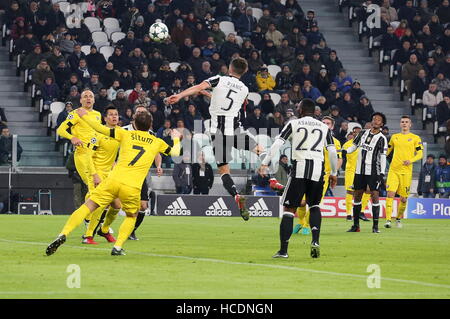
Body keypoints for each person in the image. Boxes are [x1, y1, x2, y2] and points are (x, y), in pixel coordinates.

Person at [46, 109, 182, 256]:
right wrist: (176, 138)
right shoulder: (157, 142)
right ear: (150, 125)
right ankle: (117, 247)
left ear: (134, 123)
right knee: (131, 216)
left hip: (113, 179)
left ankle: (63, 233)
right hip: (132, 187)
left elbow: (99, 128)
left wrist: (84, 115)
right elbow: (176, 153)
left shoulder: (124, 133)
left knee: (89, 205)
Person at [166, 57, 261, 221]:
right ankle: (273, 179)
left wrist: (180, 95)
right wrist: (210, 95)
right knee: (259, 149)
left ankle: (236, 196)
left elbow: (197, 87)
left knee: (224, 170)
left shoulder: (219, 79)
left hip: (217, 133)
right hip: (235, 130)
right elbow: (230, 103)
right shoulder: (245, 89)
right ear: (244, 71)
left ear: (229, 67)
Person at [260, 98, 338, 259]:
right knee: (315, 205)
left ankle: (283, 251)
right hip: (318, 170)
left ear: (301, 110)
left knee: (289, 210)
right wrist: (334, 173)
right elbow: (332, 151)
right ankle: (315, 241)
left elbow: (277, 143)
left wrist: (265, 163)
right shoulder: (324, 127)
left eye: (298, 107)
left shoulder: (294, 123)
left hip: (300, 168)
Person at [56, 90, 102, 225]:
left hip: (96, 155)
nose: (88, 98)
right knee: (93, 185)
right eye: (85, 96)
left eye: (91, 96)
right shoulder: (75, 114)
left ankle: (91, 219)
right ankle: (89, 220)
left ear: (94, 100)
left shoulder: (98, 115)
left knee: (100, 187)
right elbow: (60, 129)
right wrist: (72, 137)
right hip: (82, 155)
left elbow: (98, 134)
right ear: (80, 100)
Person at [292, 116, 342, 235]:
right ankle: (300, 221)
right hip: (307, 171)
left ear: (332, 126)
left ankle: (306, 225)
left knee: (314, 203)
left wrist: (333, 173)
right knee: (301, 201)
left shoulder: (335, 142)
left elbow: (339, 159)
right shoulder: (312, 138)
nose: (325, 124)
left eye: (328, 123)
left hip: (324, 176)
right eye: (323, 122)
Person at [81, 106, 122, 245]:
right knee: (99, 204)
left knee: (117, 205)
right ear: (105, 118)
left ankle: (104, 230)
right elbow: (88, 156)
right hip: (96, 172)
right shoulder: (97, 134)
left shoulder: (120, 132)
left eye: (116, 114)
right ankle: (88, 236)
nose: (114, 117)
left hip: (110, 174)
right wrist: (94, 175)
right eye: (110, 114)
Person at [122, 105, 163, 241]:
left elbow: (157, 153)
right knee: (112, 204)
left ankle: (131, 231)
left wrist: (158, 165)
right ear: (134, 115)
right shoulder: (124, 131)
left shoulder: (151, 134)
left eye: (143, 113)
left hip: (140, 176)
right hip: (122, 174)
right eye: (139, 112)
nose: (141, 114)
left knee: (143, 206)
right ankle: (94, 228)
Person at [346, 112, 388, 233]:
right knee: (357, 195)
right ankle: (356, 226)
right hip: (359, 171)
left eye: (378, 120)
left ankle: (375, 227)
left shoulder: (382, 138)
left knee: (375, 196)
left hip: (373, 171)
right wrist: (345, 151)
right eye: (374, 119)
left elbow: (383, 156)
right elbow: (354, 146)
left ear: (382, 124)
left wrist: (382, 174)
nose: (375, 121)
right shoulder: (363, 133)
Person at [384, 116, 423, 229]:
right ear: (400, 124)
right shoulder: (394, 137)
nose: (404, 123)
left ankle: (398, 218)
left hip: (406, 172)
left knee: (403, 199)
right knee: (390, 194)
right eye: (402, 122)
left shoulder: (415, 138)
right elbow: (387, 151)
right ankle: (388, 220)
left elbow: (420, 154)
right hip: (394, 170)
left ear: (410, 124)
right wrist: (380, 159)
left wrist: (410, 160)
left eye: (406, 122)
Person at [342, 126, 372, 221]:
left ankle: (361, 212)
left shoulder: (365, 145)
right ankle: (349, 214)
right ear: (352, 133)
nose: (357, 134)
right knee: (350, 191)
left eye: (360, 132)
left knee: (367, 190)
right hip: (351, 171)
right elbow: (341, 157)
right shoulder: (347, 145)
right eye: (355, 132)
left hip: (363, 171)